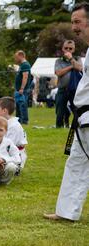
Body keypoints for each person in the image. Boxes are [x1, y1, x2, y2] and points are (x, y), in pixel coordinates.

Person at [45, 3, 89, 222]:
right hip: (82, 116)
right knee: (76, 163)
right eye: (72, 22)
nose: (74, 27)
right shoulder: (88, 52)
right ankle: (66, 212)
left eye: (77, 21)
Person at [54, 40, 83, 128]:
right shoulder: (58, 61)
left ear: (73, 50)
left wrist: (71, 59)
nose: (68, 50)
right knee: (59, 112)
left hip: (74, 90)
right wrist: (71, 66)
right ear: (63, 49)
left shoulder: (77, 59)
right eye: (66, 48)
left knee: (77, 110)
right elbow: (58, 73)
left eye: (70, 48)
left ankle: (78, 127)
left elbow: (80, 68)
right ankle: (59, 127)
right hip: (62, 89)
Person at [0, 96, 28, 169]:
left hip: (15, 156)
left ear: (4, 111)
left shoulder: (14, 126)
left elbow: (8, 146)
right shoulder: (5, 122)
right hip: (6, 152)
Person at [14, 50, 33, 125]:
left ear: (21, 56)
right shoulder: (22, 65)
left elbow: (25, 77)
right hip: (19, 89)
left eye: (16, 57)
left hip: (23, 90)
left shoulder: (25, 65)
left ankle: (24, 121)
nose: (15, 59)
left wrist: (22, 88)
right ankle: (18, 121)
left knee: (23, 105)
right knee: (18, 106)